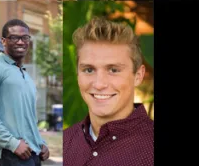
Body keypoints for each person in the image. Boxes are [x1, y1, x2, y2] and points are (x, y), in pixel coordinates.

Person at [64, 17, 153, 166]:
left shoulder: (150, 150)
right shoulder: (66, 140)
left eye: (113, 70)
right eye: (89, 70)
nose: (99, 84)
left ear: (138, 76)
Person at [0, 19, 49, 166]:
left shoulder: (25, 75)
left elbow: (28, 118)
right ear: (3, 41)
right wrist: (12, 143)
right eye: (14, 38)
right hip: (9, 155)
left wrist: (40, 142)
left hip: (33, 154)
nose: (21, 42)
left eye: (25, 38)